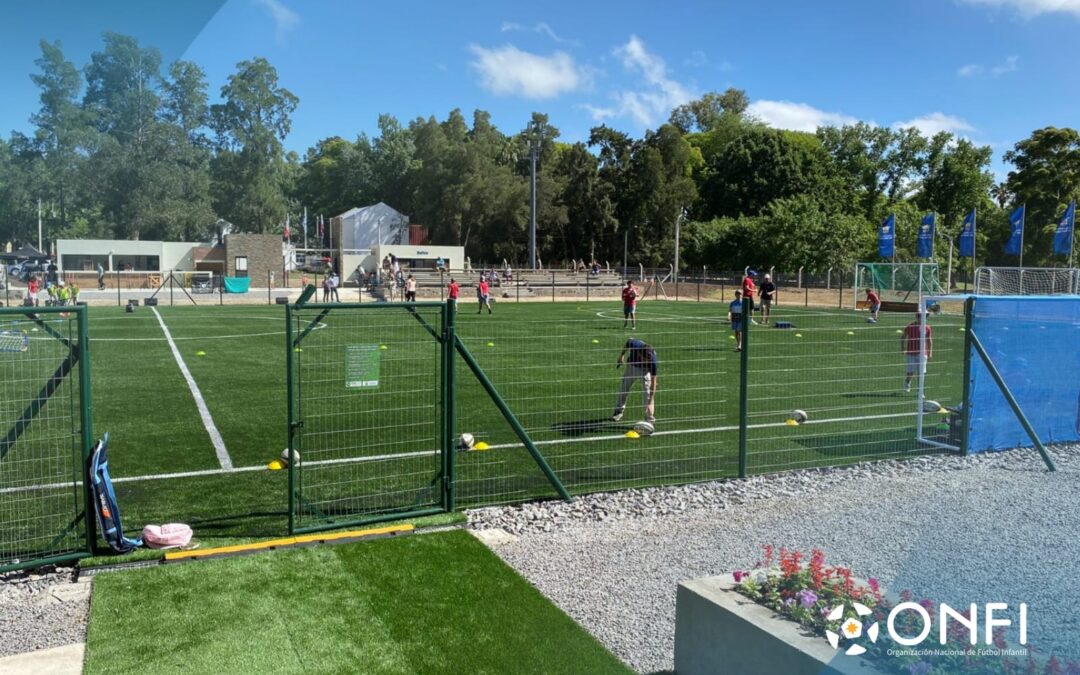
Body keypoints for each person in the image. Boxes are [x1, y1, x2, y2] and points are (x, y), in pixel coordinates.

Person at [611, 337, 658, 424]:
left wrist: (650, 401)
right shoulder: (635, 344)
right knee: (624, 388)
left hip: (645, 370)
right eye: (645, 360)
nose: (648, 361)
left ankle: (649, 418)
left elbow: (654, 381)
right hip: (632, 366)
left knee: (648, 392)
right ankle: (618, 411)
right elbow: (628, 342)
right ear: (640, 355)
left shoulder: (653, 361)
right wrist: (621, 356)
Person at [901, 312, 933, 393]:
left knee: (921, 372)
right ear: (917, 317)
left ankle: (920, 390)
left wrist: (930, 352)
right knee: (910, 371)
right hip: (911, 353)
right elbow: (903, 337)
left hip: (922, 353)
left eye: (926, 317)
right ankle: (907, 381)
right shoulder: (910, 326)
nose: (924, 319)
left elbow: (929, 340)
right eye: (921, 317)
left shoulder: (927, 327)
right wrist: (903, 349)